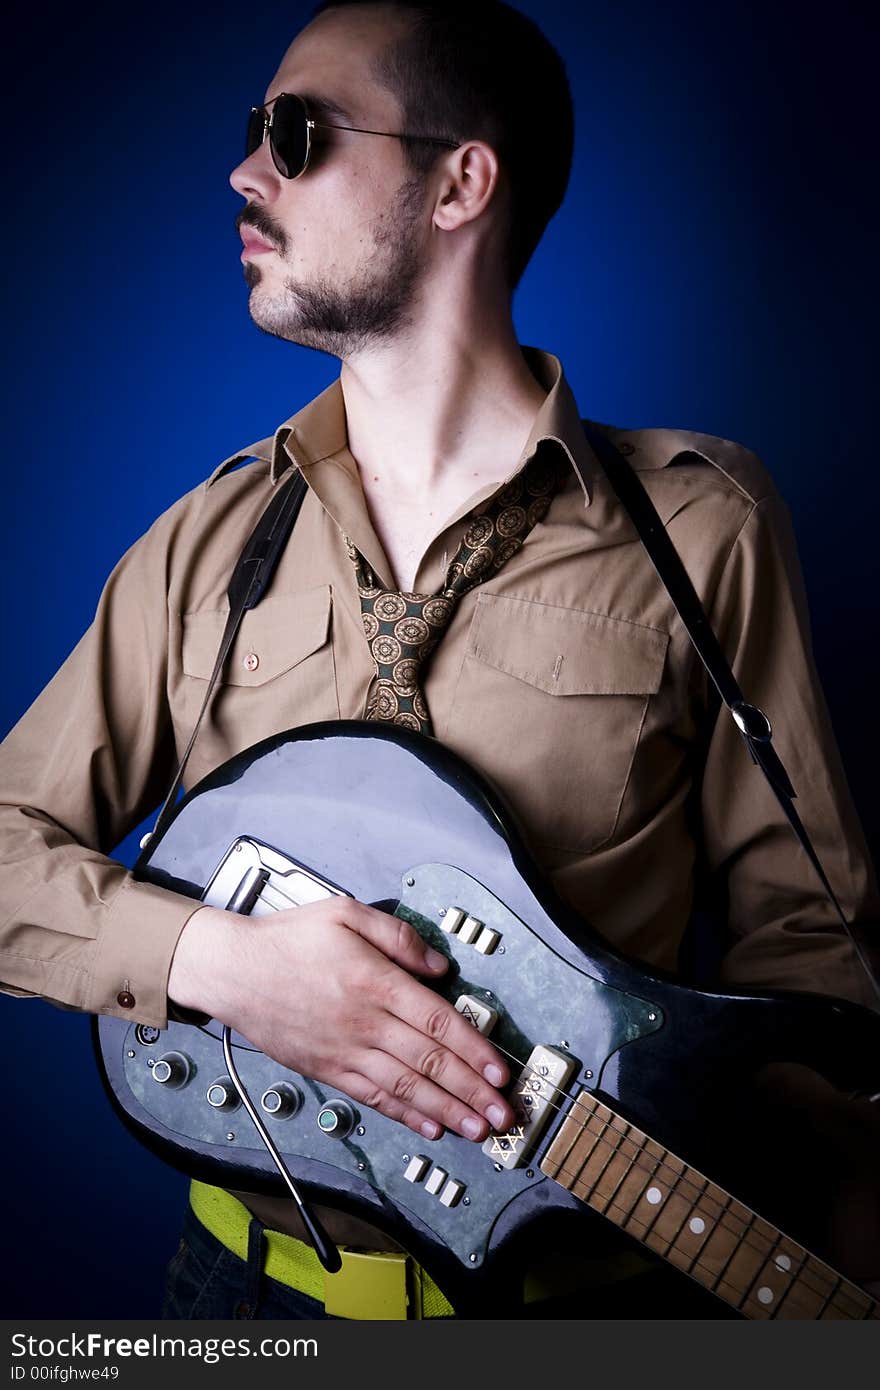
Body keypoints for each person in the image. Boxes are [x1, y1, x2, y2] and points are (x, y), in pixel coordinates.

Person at [1, 0, 878, 1320]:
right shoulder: (208, 541)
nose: (246, 173)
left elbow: (809, 944)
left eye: (296, 135)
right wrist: (233, 971)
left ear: (461, 180)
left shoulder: (706, 524)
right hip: (251, 1303)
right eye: (254, 137)